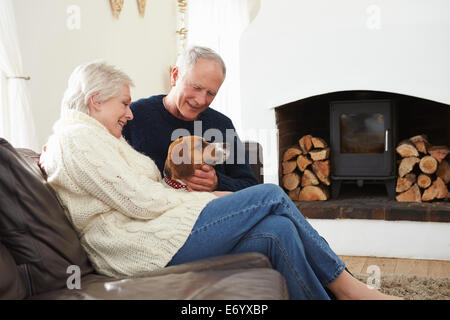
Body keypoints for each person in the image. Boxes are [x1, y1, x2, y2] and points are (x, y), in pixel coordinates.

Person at [40, 61, 401, 300]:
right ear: (95, 101)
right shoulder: (75, 139)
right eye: (123, 104)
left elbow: (151, 191)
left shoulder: (94, 138)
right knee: (271, 194)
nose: (129, 113)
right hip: (139, 247)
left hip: (161, 230)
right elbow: (141, 201)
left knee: (279, 230)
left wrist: (210, 189)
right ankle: (351, 289)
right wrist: (211, 200)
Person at [122, 46, 258, 192]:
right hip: (159, 209)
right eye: (196, 87)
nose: (201, 100)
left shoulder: (222, 124)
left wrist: (217, 182)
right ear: (175, 76)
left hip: (214, 210)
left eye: (211, 93)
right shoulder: (134, 115)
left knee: (272, 194)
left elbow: (250, 186)